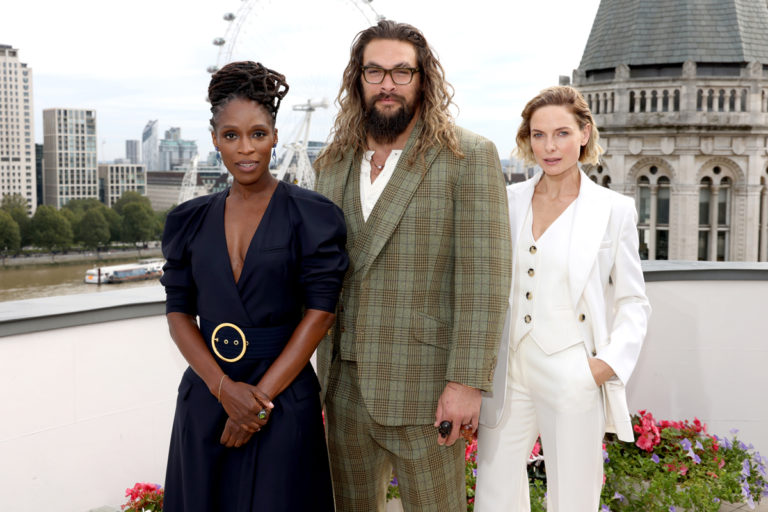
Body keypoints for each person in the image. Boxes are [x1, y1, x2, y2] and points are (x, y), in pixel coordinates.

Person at [313, 19, 512, 512]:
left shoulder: (468, 156)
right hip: (342, 388)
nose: (387, 84)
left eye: (402, 72)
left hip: (427, 392)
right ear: (357, 80)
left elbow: (484, 282)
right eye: (375, 71)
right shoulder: (332, 162)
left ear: (424, 79)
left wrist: (465, 384)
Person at [159, 61, 348, 512]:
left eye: (258, 134)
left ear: (276, 136)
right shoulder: (188, 221)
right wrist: (225, 390)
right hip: (207, 398)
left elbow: (320, 313)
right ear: (214, 140)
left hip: (282, 402)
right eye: (231, 136)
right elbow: (178, 314)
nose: (246, 149)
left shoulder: (313, 215)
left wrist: (257, 404)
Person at [475, 85, 651, 511]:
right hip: (508, 370)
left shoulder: (613, 210)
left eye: (561, 133)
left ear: (584, 134)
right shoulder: (507, 200)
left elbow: (634, 301)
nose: (549, 147)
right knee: (493, 495)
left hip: (573, 371)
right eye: (538, 135)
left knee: (573, 498)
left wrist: (602, 366)